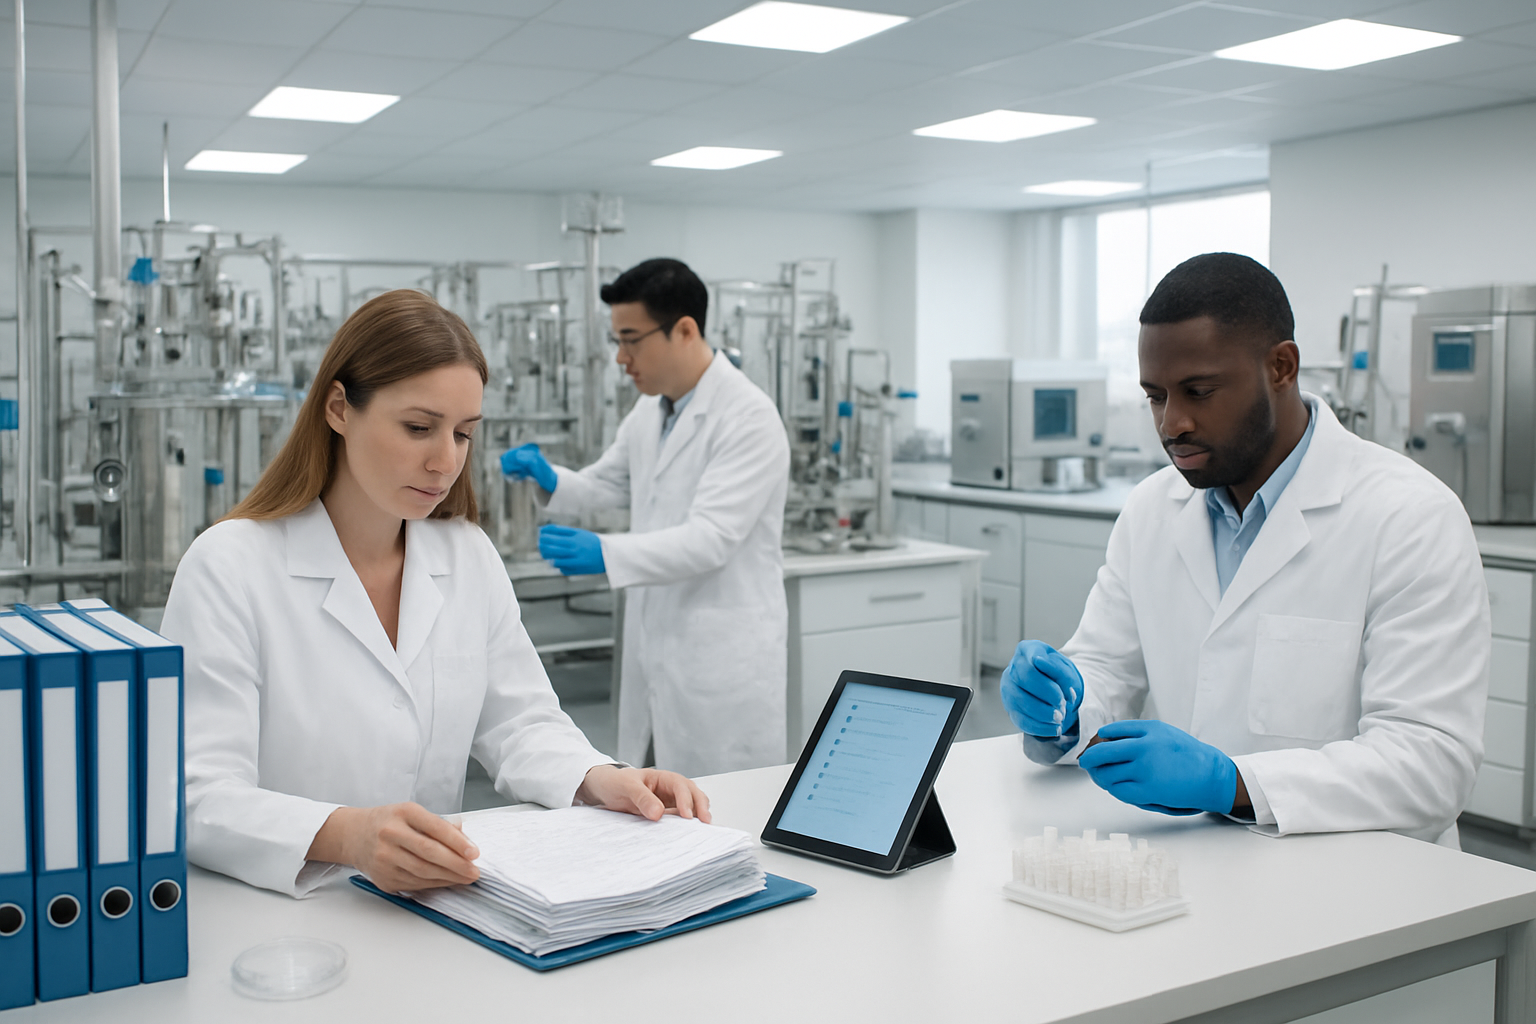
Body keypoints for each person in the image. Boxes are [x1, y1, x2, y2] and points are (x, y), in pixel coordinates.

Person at [161, 289, 711, 899]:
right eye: (419, 428)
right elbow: (197, 795)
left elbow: (520, 721)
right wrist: (348, 835)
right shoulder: (230, 565)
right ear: (339, 409)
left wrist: (599, 777)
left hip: (437, 909)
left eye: (463, 434)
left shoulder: (464, 554)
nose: (445, 462)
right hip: (288, 920)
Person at [999, 253, 1489, 847]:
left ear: (1280, 367)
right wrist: (1063, 707)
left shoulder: (1409, 517)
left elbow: (1430, 765)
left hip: (1361, 888)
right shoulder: (1153, 509)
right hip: (1196, 868)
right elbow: (1108, 669)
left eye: (1198, 392)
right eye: (1155, 396)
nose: (1172, 423)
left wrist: (1231, 782)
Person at [501, 258, 790, 776]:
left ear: (684, 330)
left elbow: (712, 539)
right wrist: (553, 480)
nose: (620, 357)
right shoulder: (653, 409)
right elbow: (614, 483)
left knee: (723, 812)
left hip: (719, 659)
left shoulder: (749, 417)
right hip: (655, 646)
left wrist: (606, 553)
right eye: (617, 340)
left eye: (631, 339)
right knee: (653, 804)